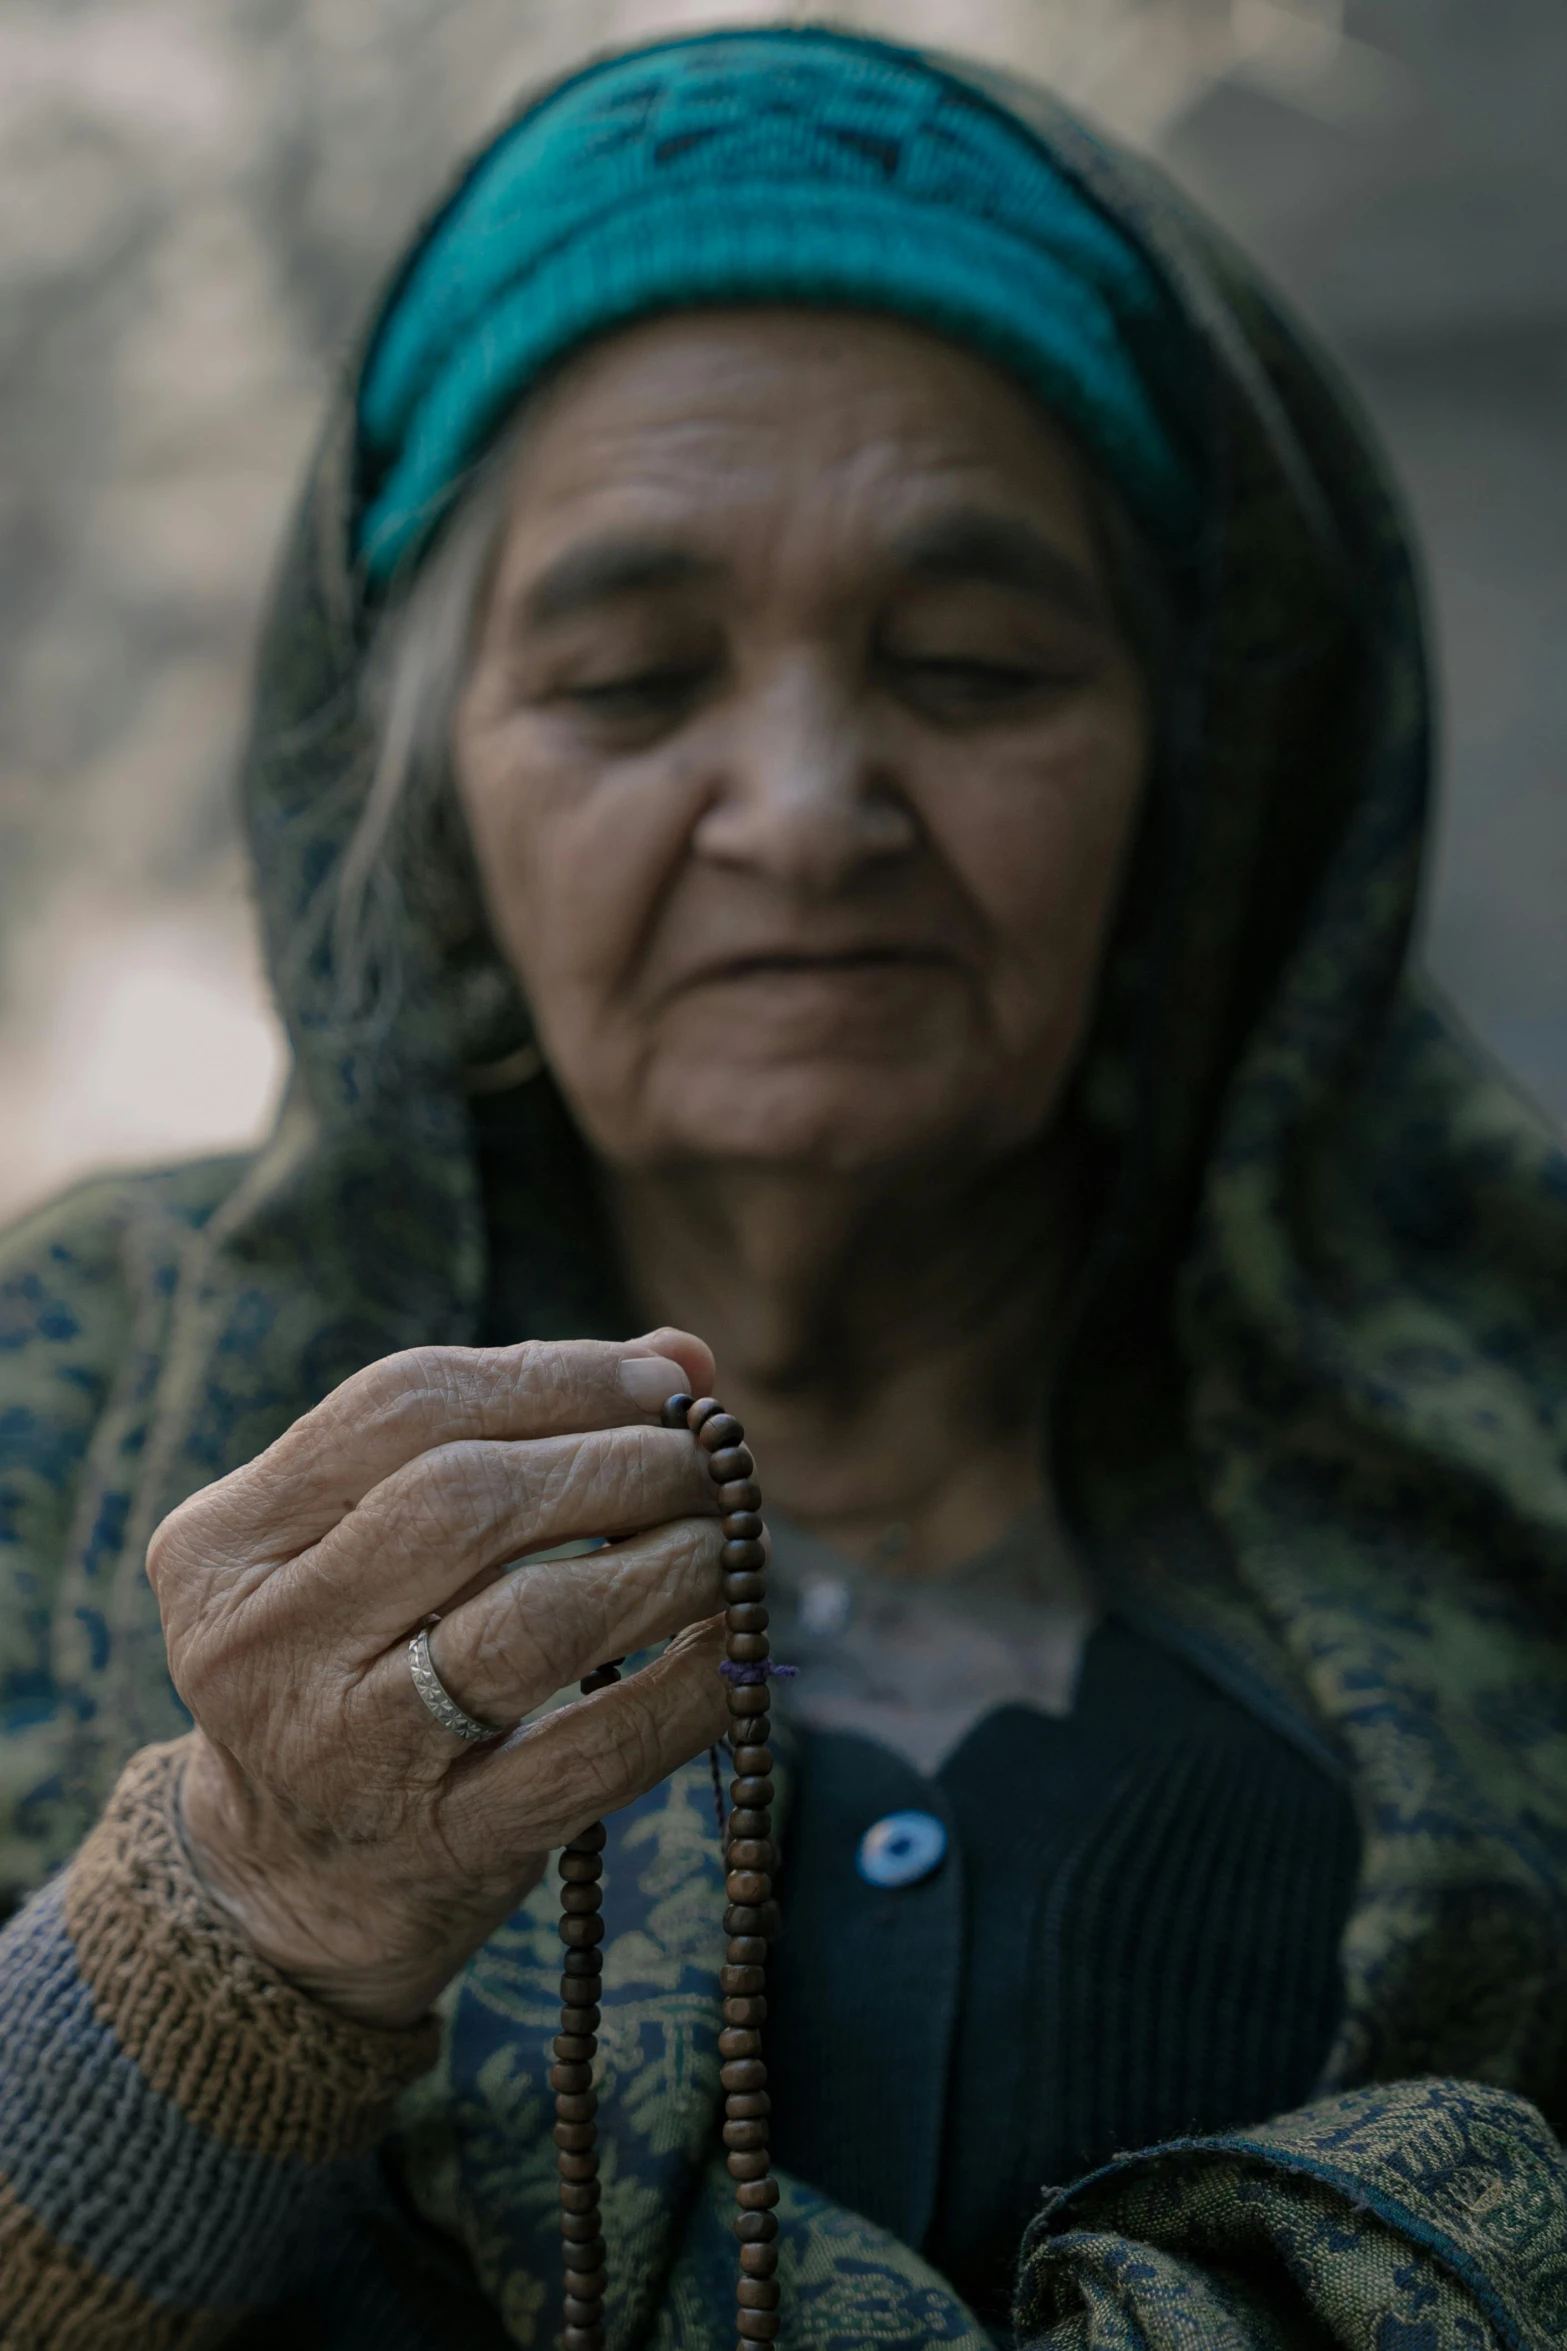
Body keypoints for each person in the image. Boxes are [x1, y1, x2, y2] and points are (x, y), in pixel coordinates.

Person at [1, 24, 1564, 2349]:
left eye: (970, 662)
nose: (809, 803)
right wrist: (251, 1903)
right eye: (633, 682)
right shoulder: (79, 1383)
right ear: (436, 813)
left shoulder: (1517, 1418)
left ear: (1193, 790)